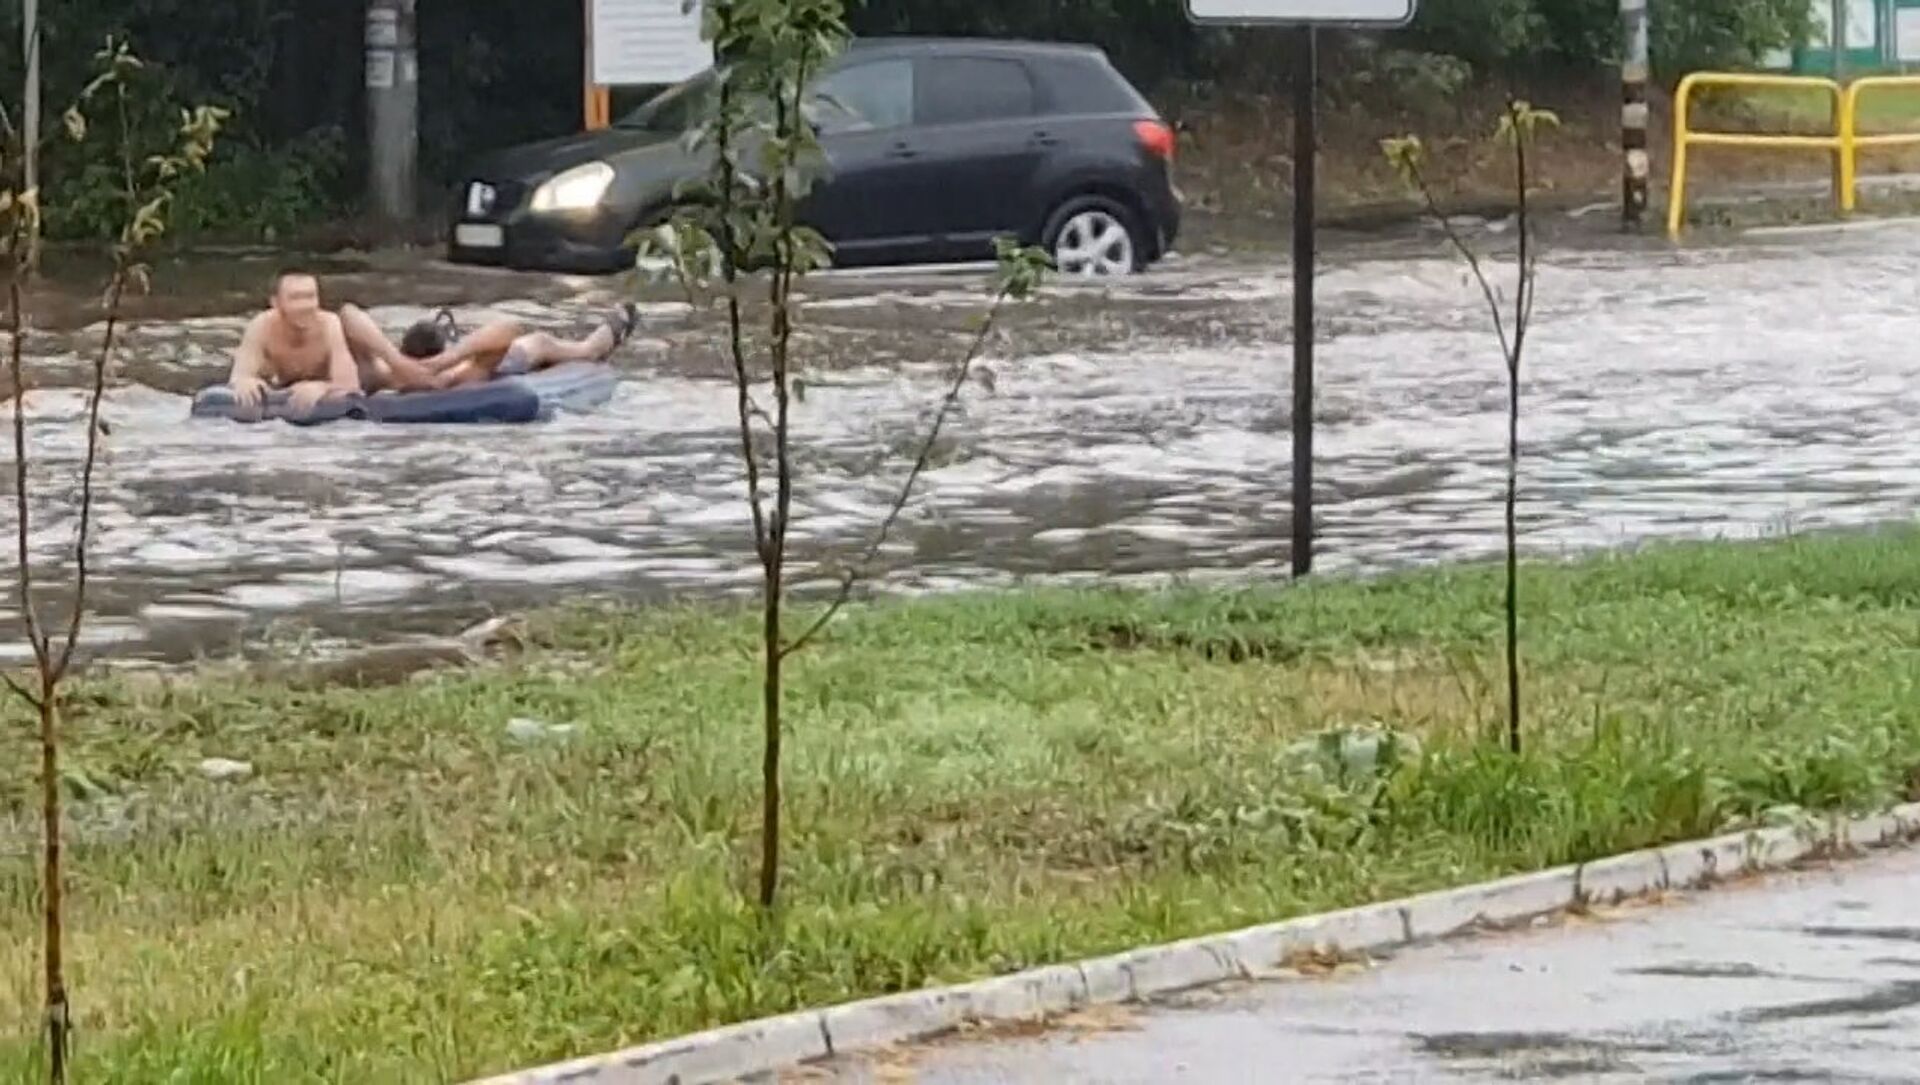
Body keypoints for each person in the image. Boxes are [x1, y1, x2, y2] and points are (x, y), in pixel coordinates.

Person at [338, 302, 641, 393]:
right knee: (540, 343)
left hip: (469, 359)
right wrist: (398, 362)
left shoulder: (455, 374)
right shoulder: (384, 372)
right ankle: (608, 330)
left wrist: (446, 360)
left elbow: (508, 329)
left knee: (566, 349)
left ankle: (613, 327)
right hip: (466, 362)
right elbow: (347, 313)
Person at [225, 270, 365, 413]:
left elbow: (350, 385)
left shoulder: (330, 324)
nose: (305, 306)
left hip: (343, 377)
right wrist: (247, 382)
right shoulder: (261, 325)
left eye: (310, 297)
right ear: (275, 303)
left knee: (379, 370)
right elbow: (239, 376)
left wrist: (322, 387)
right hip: (282, 385)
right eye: (295, 298)